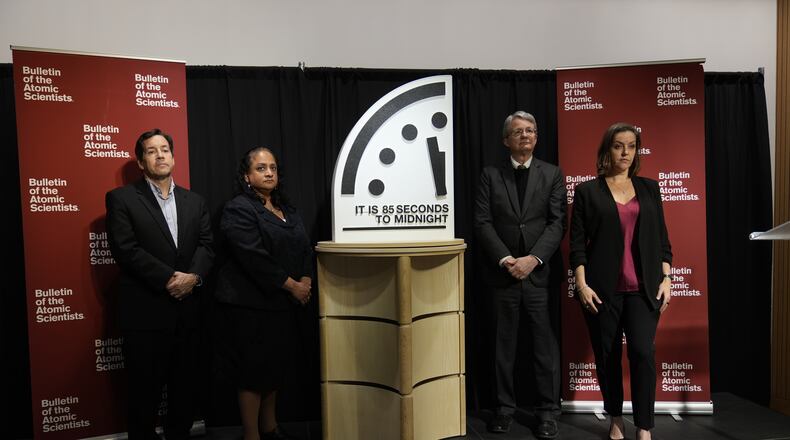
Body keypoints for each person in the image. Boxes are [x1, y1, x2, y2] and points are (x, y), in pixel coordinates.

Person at [105, 128, 214, 440]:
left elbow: (207, 246)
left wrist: (193, 278)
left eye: (165, 149)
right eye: (151, 151)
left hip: (189, 313)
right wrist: (170, 280)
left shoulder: (195, 201)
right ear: (141, 162)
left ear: (173, 156)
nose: (160, 155)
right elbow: (125, 250)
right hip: (145, 314)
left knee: (184, 391)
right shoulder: (122, 199)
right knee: (143, 395)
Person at [570, 123, 672, 440]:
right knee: (607, 357)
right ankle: (615, 417)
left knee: (642, 353)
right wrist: (582, 285)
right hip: (602, 291)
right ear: (607, 150)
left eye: (631, 145)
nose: (625, 152)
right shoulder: (588, 191)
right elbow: (576, 247)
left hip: (643, 290)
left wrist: (667, 277)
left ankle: (644, 426)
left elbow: (663, 242)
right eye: (618, 145)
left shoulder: (650, 188)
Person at [475, 111, 567, 439]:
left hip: (538, 276)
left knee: (544, 347)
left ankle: (547, 412)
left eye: (530, 130)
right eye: (518, 132)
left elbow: (558, 222)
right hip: (503, 275)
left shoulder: (553, 174)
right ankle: (503, 409)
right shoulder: (490, 175)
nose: (525, 136)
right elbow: (483, 222)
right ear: (506, 140)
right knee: (503, 346)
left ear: (537, 137)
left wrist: (534, 259)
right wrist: (506, 259)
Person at [214, 147, 313, 440]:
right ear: (247, 176)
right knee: (253, 373)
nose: (269, 172)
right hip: (249, 306)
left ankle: (270, 428)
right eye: (260, 168)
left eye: (272, 167)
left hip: (282, 305)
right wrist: (293, 286)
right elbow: (253, 257)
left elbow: (305, 248)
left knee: (275, 370)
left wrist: (306, 279)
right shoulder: (238, 208)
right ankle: (251, 435)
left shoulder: (289, 211)